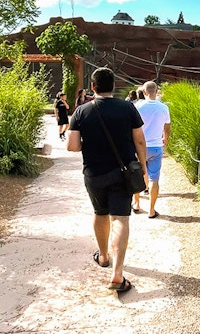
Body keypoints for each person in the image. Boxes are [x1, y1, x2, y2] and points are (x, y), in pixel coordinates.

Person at [67, 67, 147, 294]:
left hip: (93, 173)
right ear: (113, 86)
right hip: (122, 173)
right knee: (120, 218)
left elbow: (72, 146)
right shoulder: (127, 108)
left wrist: (89, 144)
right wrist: (143, 168)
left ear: (93, 87)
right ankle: (117, 274)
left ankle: (103, 257)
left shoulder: (82, 111)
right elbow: (139, 141)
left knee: (99, 213)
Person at [134, 81, 170, 218]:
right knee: (154, 178)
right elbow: (167, 126)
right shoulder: (164, 107)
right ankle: (151, 210)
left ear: (143, 92)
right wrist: (165, 138)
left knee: (136, 174)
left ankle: (136, 203)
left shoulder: (137, 106)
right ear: (157, 91)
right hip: (156, 146)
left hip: (139, 146)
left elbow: (132, 126)